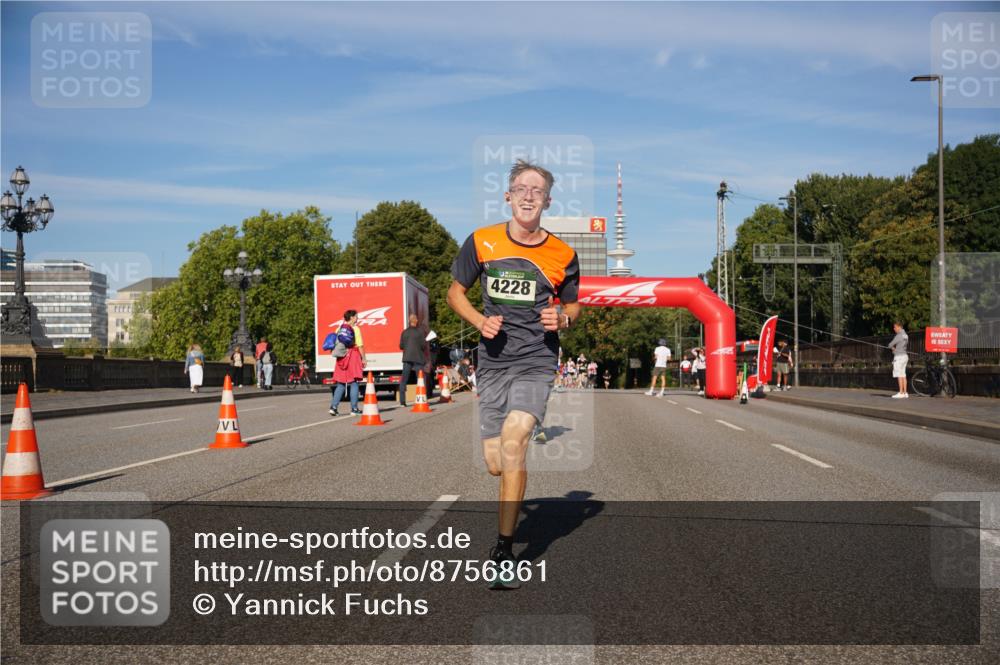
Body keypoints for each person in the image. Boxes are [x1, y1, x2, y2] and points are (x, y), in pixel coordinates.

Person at [447, 159, 580, 589]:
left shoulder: (563, 254)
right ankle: (511, 503)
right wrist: (477, 321)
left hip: (536, 360)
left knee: (515, 440)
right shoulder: (482, 242)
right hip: (493, 362)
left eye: (537, 190)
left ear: (547, 200)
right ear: (508, 196)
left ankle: (504, 551)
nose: (528, 195)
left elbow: (575, 304)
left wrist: (564, 318)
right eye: (521, 188)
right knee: (494, 464)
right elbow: (455, 293)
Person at [330, 309, 366, 415]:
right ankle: (354, 409)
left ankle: (333, 407)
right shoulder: (355, 329)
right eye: (356, 316)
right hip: (352, 356)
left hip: (341, 358)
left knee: (341, 383)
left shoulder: (338, 329)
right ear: (351, 317)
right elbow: (360, 345)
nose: (357, 318)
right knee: (354, 382)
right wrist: (363, 358)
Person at [399, 313, 429, 407]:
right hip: (418, 358)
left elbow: (401, 346)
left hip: (407, 358)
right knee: (420, 379)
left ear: (409, 321)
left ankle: (402, 401)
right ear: (416, 321)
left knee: (404, 379)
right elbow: (423, 346)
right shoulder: (420, 332)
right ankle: (422, 398)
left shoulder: (404, 332)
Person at [888, 321, 909, 399]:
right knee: (903, 374)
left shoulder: (899, 335)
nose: (894, 329)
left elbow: (890, 344)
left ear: (899, 327)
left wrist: (893, 349)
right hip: (905, 356)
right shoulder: (906, 335)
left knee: (899, 374)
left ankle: (900, 392)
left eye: (895, 327)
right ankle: (905, 392)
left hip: (899, 357)